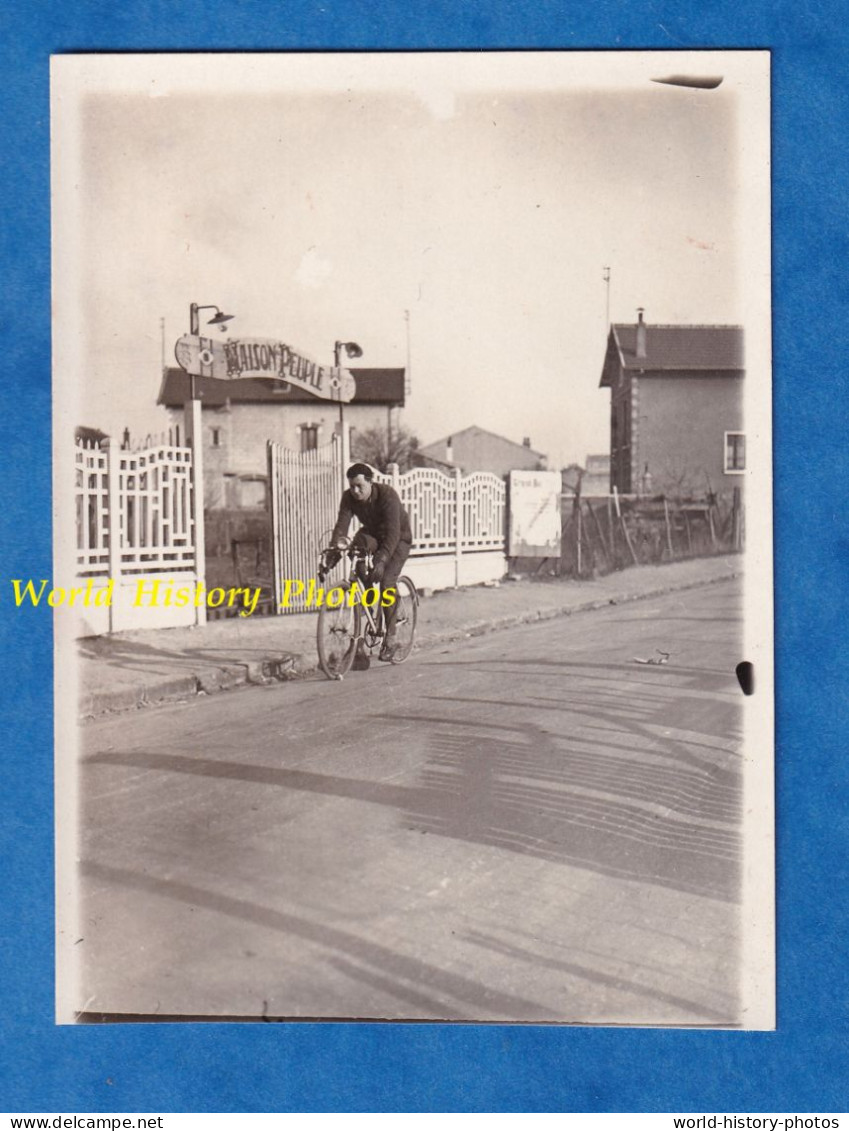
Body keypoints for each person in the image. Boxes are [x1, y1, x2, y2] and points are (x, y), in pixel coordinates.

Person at [328, 462, 412, 668]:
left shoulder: (387, 495)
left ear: (370, 483)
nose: (355, 491)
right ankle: (358, 645)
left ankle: (391, 638)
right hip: (373, 535)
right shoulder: (348, 497)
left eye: (360, 486)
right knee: (355, 554)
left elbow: (393, 533)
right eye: (352, 486)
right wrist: (333, 553)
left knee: (386, 582)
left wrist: (382, 560)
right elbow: (342, 526)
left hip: (398, 539)